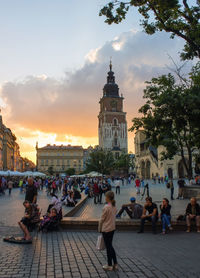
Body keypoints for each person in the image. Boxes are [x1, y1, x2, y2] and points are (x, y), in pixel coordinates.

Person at [98, 191, 118, 271]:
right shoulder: (114, 206)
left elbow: (102, 219)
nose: (105, 198)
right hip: (112, 228)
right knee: (110, 246)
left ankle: (109, 265)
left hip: (106, 229)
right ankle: (115, 263)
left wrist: (99, 228)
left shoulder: (106, 207)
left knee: (108, 247)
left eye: (105, 197)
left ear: (108, 198)